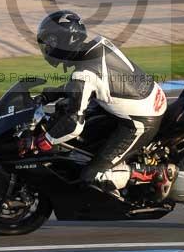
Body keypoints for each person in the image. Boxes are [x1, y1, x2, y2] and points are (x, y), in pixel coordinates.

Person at [19, 10, 173, 201]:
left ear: (63, 42)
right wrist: (49, 94)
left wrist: (44, 140)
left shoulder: (83, 74)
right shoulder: (99, 44)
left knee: (92, 175)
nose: (47, 48)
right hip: (149, 98)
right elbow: (92, 84)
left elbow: (74, 124)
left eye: (50, 43)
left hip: (140, 121)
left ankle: (155, 173)